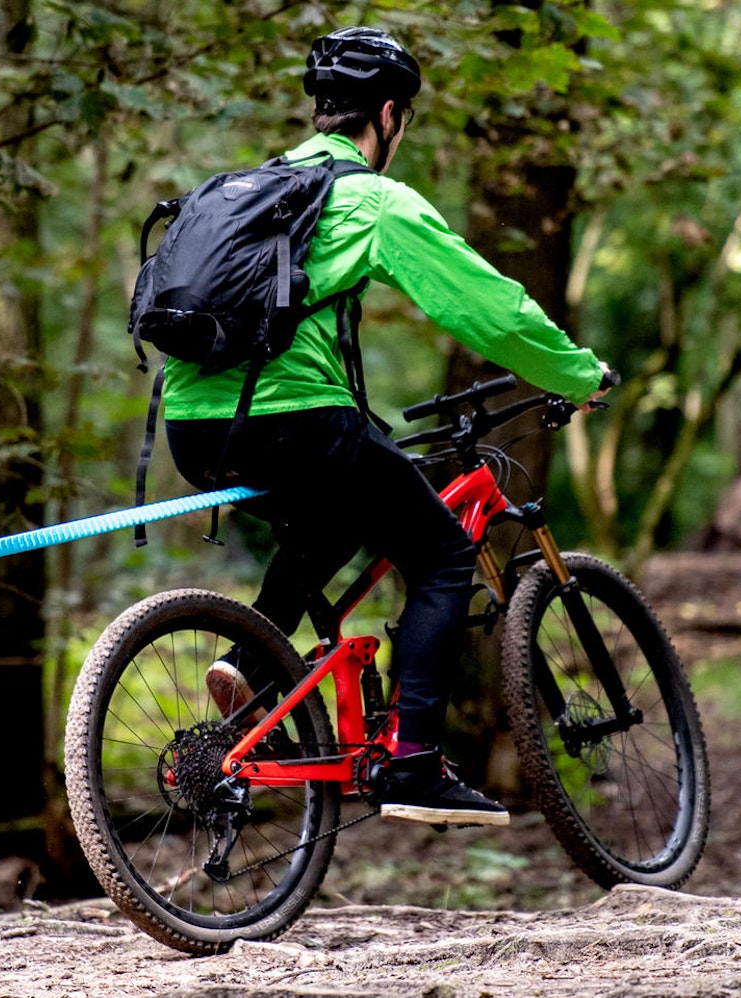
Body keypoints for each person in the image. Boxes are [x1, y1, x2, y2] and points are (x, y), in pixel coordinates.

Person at [163, 26, 613, 826]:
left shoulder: (253, 190)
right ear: (390, 113)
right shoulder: (365, 197)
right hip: (295, 420)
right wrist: (578, 374)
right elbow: (487, 308)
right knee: (441, 553)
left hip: (193, 427)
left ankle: (250, 660)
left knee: (339, 504)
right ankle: (411, 764)